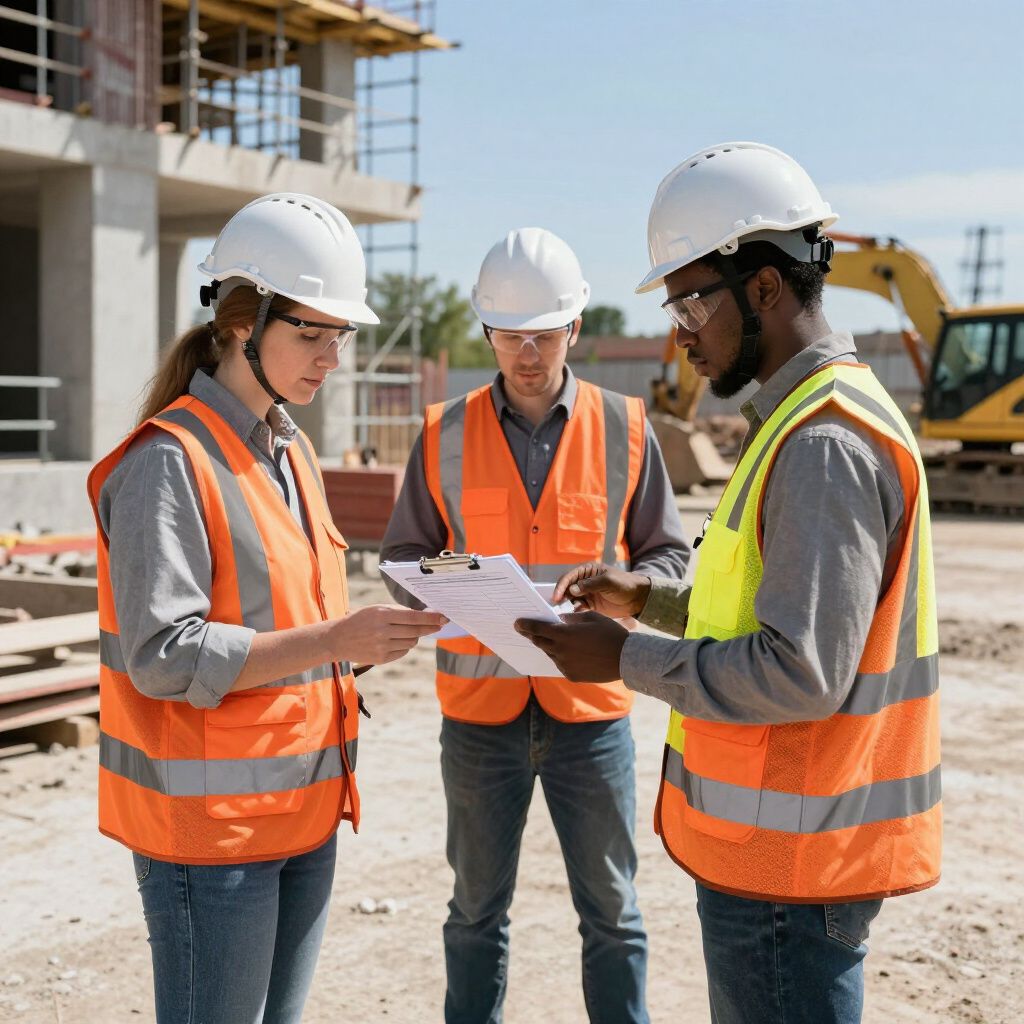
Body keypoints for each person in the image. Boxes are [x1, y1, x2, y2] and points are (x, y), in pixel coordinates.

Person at [516, 143, 941, 1024]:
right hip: (778, 859)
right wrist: (647, 600)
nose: (680, 329)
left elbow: (801, 670)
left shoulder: (822, 442)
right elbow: (762, 605)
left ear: (766, 290)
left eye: (690, 300)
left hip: (792, 870)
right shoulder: (797, 419)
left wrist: (624, 659)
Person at [86, 193, 445, 1024]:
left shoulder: (291, 448)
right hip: (213, 837)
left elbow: (287, 614)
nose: (333, 358)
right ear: (243, 324)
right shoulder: (168, 462)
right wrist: (337, 637)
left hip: (302, 811)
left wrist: (373, 633)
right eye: (311, 334)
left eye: (340, 336)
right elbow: (164, 654)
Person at [381, 227, 690, 1024]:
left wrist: (628, 591)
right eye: (511, 334)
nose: (527, 351)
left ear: (575, 327)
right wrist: (456, 586)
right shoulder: (441, 432)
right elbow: (405, 554)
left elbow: (667, 556)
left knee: (614, 918)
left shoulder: (626, 426)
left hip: (592, 714)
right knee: (475, 914)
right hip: (479, 719)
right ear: (486, 331)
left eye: (544, 333)